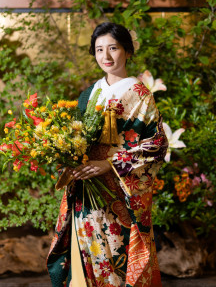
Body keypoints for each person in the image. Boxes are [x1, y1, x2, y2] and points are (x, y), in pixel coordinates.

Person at [47, 22, 168, 287]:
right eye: (99, 49)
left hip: (118, 190)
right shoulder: (90, 93)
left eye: (113, 48)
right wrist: (67, 157)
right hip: (86, 189)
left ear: (127, 50)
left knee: (115, 255)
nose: (106, 56)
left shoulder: (138, 93)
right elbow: (76, 140)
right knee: (87, 256)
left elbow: (157, 145)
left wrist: (110, 163)